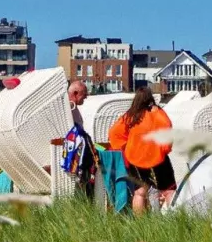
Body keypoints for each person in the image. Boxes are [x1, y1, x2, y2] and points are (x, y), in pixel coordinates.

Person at [108, 86, 176, 214]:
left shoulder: (130, 115)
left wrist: (125, 146)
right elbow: (167, 129)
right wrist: (165, 150)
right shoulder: (157, 113)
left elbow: (114, 133)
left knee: (140, 192)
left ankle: (140, 224)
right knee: (168, 190)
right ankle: (171, 218)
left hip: (134, 158)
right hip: (157, 158)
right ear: (150, 98)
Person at [62, 80, 96, 199]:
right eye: (84, 93)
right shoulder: (69, 108)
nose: (86, 96)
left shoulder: (68, 107)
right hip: (75, 155)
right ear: (75, 93)